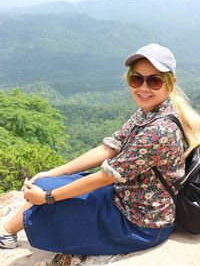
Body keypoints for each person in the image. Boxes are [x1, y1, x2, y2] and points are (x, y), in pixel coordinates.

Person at [1, 43, 200, 255]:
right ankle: (8, 230)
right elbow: (110, 147)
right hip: (125, 198)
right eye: (136, 78)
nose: (143, 87)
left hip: (141, 224)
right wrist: (53, 171)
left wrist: (48, 197)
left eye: (154, 80)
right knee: (46, 183)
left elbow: (106, 177)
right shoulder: (150, 111)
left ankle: (6, 233)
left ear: (170, 83)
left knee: (52, 198)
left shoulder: (160, 129)